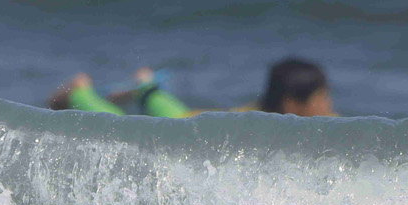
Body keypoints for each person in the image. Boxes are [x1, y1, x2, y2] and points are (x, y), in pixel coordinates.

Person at [48, 57, 334, 118]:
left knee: (164, 106)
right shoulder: (262, 126)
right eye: (321, 98)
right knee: (120, 127)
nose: (328, 106)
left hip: (199, 115)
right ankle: (79, 91)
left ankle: (145, 86)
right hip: (190, 124)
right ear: (291, 103)